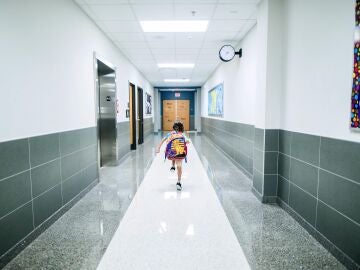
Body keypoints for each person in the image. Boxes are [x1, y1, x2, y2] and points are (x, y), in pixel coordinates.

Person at [156, 122, 189, 191]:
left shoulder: (176, 134)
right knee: (178, 162)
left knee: (177, 162)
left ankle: (177, 176)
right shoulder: (176, 134)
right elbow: (187, 141)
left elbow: (163, 140)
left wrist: (158, 148)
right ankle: (177, 177)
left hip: (175, 153)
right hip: (176, 153)